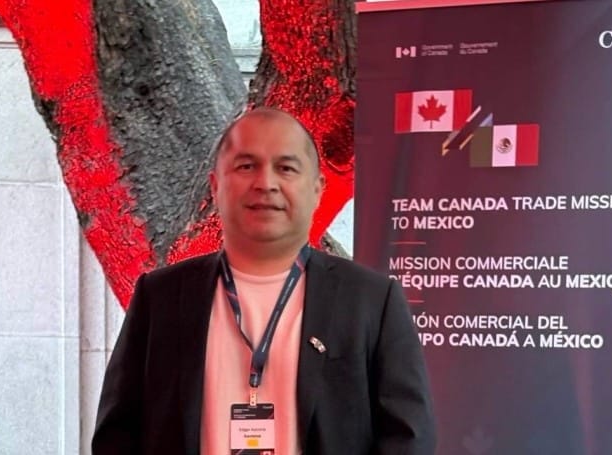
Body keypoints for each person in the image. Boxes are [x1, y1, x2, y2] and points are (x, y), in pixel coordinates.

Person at [92, 107, 436, 454]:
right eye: (246, 166)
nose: (265, 183)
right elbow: (116, 436)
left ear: (317, 189)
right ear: (215, 186)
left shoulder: (372, 301)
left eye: (286, 168)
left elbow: (408, 439)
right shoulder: (161, 297)